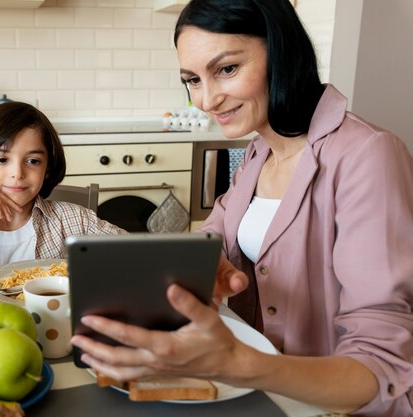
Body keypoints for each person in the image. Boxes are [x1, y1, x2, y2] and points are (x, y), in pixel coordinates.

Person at [70, 1, 413, 416]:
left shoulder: (367, 155)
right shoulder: (256, 153)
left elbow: (382, 367)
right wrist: (187, 274)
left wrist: (243, 365)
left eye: (227, 69)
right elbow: (209, 240)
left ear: (281, 51)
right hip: (264, 396)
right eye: (192, 80)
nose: (206, 100)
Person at [0, 101, 126, 287]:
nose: (17, 173)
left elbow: (135, 257)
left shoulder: (75, 220)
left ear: (48, 170)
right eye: (2, 160)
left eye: (33, 161)